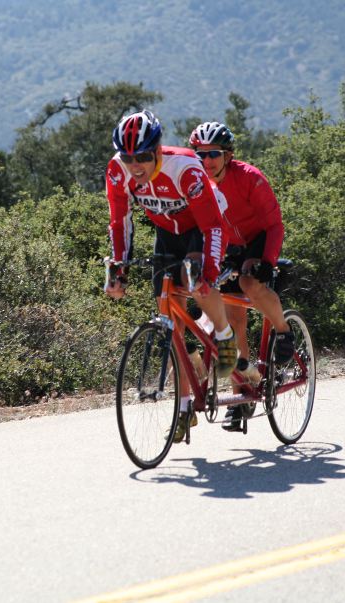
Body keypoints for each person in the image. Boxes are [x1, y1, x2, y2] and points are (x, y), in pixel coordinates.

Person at [105, 110, 236, 442]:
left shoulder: (185, 169)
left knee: (198, 283)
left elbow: (212, 227)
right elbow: (120, 222)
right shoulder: (117, 172)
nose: (136, 165)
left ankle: (224, 335)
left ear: (158, 150)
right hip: (166, 232)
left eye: (144, 156)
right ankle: (184, 406)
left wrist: (208, 270)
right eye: (128, 156)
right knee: (171, 322)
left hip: (201, 226)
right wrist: (119, 267)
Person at [188, 121, 294, 431]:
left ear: (228, 155)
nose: (207, 161)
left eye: (214, 154)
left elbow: (275, 224)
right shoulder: (198, 184)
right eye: (201, 155)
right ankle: (243, 397)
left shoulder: (250, 178)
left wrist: (267, 261)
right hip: (229, 247)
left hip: (259, 239)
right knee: (233, 320)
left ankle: (284, 330)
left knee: (249, 283)